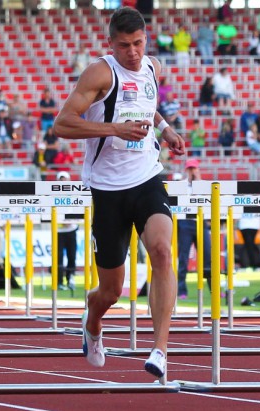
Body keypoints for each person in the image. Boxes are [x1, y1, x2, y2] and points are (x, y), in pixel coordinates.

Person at [52, 7, 185, 379]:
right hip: (107, 188)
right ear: (111, 43)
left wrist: (166, 130)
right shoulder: (99, 72)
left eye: (139, 43)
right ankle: (92, 323)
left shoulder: (154, 67)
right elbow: (63, 124)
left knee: (161, 249)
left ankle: (159, 349)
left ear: (147, 39)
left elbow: (149, 107)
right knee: (111, 291)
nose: (133, 52)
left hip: (146, 178)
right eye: (125, 46)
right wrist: (114, 129)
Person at [176, 158, 211, 300]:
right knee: (183, 258)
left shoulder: (204, 185)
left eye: (194, 169)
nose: (192, 171)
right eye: (190, 169)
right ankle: (181, 291)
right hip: (185, 222)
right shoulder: (180, 185)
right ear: (186, 170)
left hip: (200, 222)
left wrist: (198, 182)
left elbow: (209, 201)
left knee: (208, 258)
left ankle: (214, 289)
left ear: (198, 169)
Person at [55, 170, 78, 293]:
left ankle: (70, 279)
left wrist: (70, 220)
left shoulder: (74, 194)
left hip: (71, 229)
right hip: (58, 231)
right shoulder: (54, 195)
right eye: (61, 179)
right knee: (58, 257)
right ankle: (58, 282)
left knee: (72, 256)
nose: (63, 182)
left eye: (65, 179)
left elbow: (79, 209)